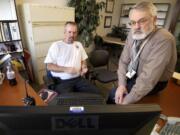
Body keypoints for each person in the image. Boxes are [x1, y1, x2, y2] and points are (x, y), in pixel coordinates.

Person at [107, 1, 177, 104]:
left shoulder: (164, 39)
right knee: (115, 93)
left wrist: (126, 102)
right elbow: (123, 61)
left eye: (142, 21)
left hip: (155, 82)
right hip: (134, 73)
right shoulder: (132, 34)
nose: (136, 27)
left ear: (154, 19)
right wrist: (121, 85)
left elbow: (148, 78)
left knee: (114, 97)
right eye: (133, 22)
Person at [44, 21, 100, 94]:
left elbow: (83, 59)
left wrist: (84, 66)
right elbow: (49, 66)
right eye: (69, 32)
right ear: (64, 32)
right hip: (62, 81)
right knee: (68, 102)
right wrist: (66, 69)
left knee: (96, 93)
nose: (72, 35)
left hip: (78, 79)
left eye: (74, 32)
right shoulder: (56, 46)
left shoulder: (78, 44)